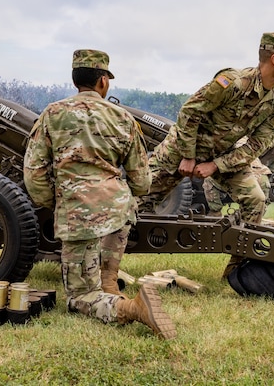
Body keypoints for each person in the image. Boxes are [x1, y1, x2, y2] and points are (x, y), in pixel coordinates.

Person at [23, 49, 176, 339]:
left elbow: (33, 173)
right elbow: (142, 181)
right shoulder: (123, 118)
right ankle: (109, 283)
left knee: (79, 297)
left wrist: (55, 203)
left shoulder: (52, 114)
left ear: (75, 79)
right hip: (118, 214)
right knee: (103, 277)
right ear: (103, 81)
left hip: (78, 215)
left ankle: (134, 308)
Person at [140, 32, 274, 277]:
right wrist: (189, 156)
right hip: (179, 150)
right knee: (139, 200)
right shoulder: (232, 83)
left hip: (222, 155)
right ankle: (105, 267)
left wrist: (216, 165)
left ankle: (236, 271)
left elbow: (257, 145)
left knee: (255, 199)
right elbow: (190, 112)